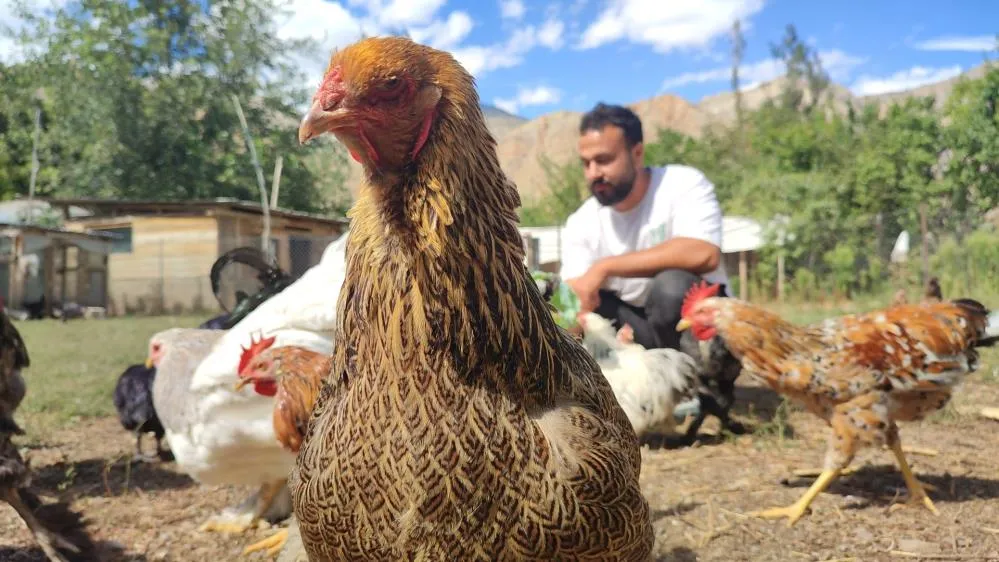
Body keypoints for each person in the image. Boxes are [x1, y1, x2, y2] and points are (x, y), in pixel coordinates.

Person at [560, 102, 729, 351]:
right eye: (586, 163)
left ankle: (706, 385)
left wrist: (604, 268)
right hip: (638, 335)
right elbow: (575, 296)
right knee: (590, 307)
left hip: (696, 329)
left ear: (637, 153)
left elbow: (704, 253)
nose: (593, 173)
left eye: (604, 160)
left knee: (671, 288)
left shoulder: (682, 184)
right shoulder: (580, 222)